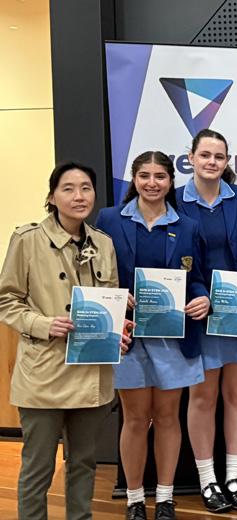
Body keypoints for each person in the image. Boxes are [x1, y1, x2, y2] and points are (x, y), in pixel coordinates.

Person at [0, 162, 128, 520]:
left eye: (86, 188)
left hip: (91, 372)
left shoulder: (103, 243)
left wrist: (117, 330)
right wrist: (43, 324)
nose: (78, 196)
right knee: (38, 466)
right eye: (68, 188)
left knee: (84, 463)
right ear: (52, 197)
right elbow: (6, 300)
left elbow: (108, 300)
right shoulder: (27, 240)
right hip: (44, 373)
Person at [96, 151, 210, 520]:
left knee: (167, 417)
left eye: (160, 176)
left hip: (172, 338)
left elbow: (196, 278)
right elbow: (94, 274)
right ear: (134, 179)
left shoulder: (188, 226)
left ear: (170, 181)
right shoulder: (109, 219)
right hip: (127, 336)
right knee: (134, 418)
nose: (152, 183)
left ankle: (164, 498)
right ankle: (134, 499)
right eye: (144, 175)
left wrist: (203, 298)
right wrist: (116, 295)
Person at [176, 129, 237, 513]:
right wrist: (194, 294)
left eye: (219, 156)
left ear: (227, 161)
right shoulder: (176, 200)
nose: (212, 162)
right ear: (191, 158)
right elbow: (174, 259)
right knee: (202, 397)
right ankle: (208, 480)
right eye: (205, 155)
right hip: (201, 316)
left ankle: (233, 477)